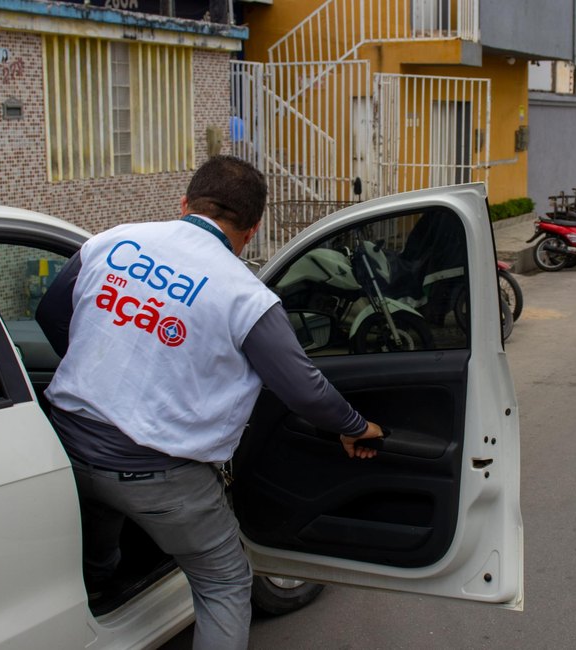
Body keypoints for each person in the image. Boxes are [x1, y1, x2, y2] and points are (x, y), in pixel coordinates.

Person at [36, 155, 384, 650]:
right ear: (252, 230)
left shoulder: (112, 241)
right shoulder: (243, 294)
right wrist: (355, 425)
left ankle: (96, 586)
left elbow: (51, 312)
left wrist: (103, 368)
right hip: (157, 476)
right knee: (224, 582)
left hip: (65, 448)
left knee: (97, 518)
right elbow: (304, 389)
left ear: (185, 203)